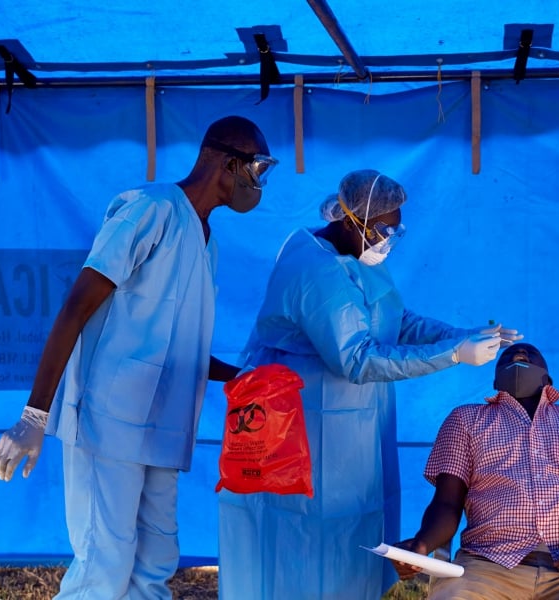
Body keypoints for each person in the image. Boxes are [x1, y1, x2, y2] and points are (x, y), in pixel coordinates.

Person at [0, 115, 277, 600]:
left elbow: (179, 344)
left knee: (153, 567)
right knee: (105, 564)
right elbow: (75, 308)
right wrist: (34, 414)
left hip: (162, 431)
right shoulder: (152, 210)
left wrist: (246, 377)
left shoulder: (204, 239)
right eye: (258, 168)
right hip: (110, 422)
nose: (260, 184)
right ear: (230, 163)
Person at [216, 168, 522, 600]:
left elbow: (397, 320)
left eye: (395, 229)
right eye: (382, 229)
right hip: (297, 426)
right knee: (302, 531)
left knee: (356, 524)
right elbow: (358, 358)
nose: (388, 239)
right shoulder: (316, 270)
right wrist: (453, 355)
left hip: (353, 424)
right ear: (348, 219)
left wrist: (462, 334)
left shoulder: (356, 256)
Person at [391, 342, 559, 600]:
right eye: (507, 355)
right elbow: (446, 503)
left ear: (548, 378)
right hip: (485, 569)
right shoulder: (465, 420)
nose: (519, 353)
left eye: (530, 354)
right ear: (496, 380)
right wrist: (421, 544)